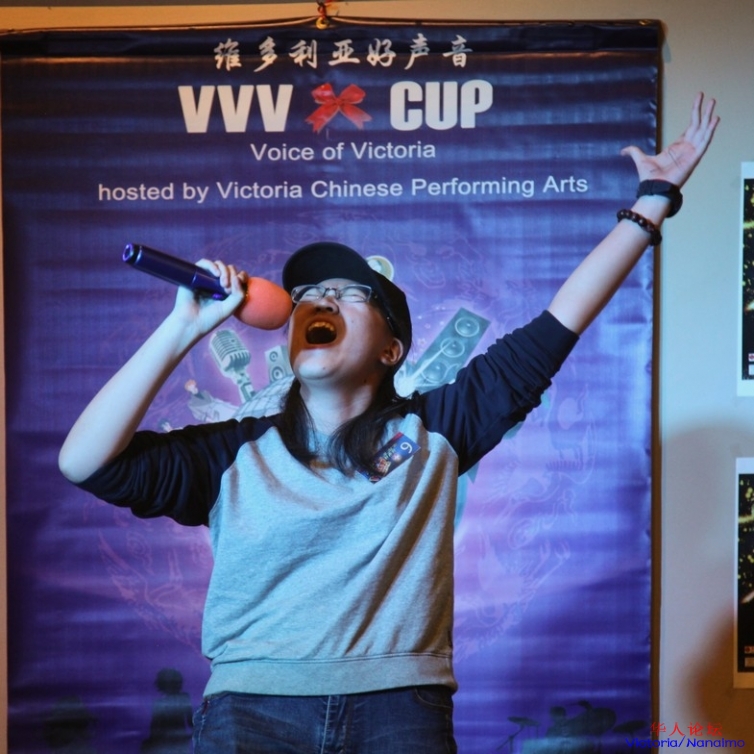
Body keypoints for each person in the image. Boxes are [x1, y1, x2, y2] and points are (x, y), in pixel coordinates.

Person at [58, 93, 719, 753]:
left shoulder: (438, 430)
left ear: (391, 349)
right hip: (250, 714)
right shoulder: (235, 455)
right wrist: (181, 330)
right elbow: (84, 462)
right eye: (309, 296)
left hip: (400, 713)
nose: (321, 298)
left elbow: (555, 327)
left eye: (350, 293)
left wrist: (653, 200)